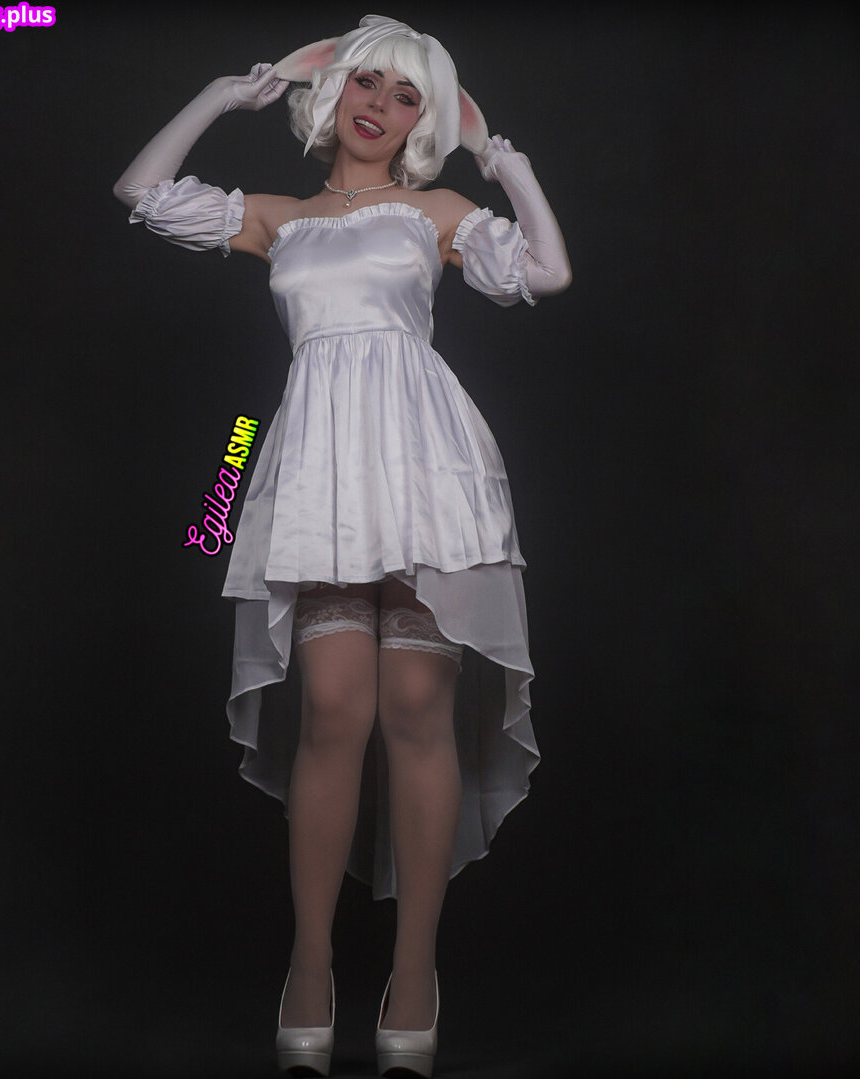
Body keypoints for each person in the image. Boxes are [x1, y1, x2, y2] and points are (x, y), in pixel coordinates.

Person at [113, 15, 570, 1077]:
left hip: (426, 463)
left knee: (416, 707)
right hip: (318, 466)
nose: (380, 106)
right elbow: (142, 192)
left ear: (426, 122)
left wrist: (506, 165)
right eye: (368, 81)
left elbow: (545, 271)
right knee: (332, 708)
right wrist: (224, 95)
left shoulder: (436, 210)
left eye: (408, 96)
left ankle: (414, 974)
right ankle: (311, 967)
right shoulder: (279, 219)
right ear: (334, 91)